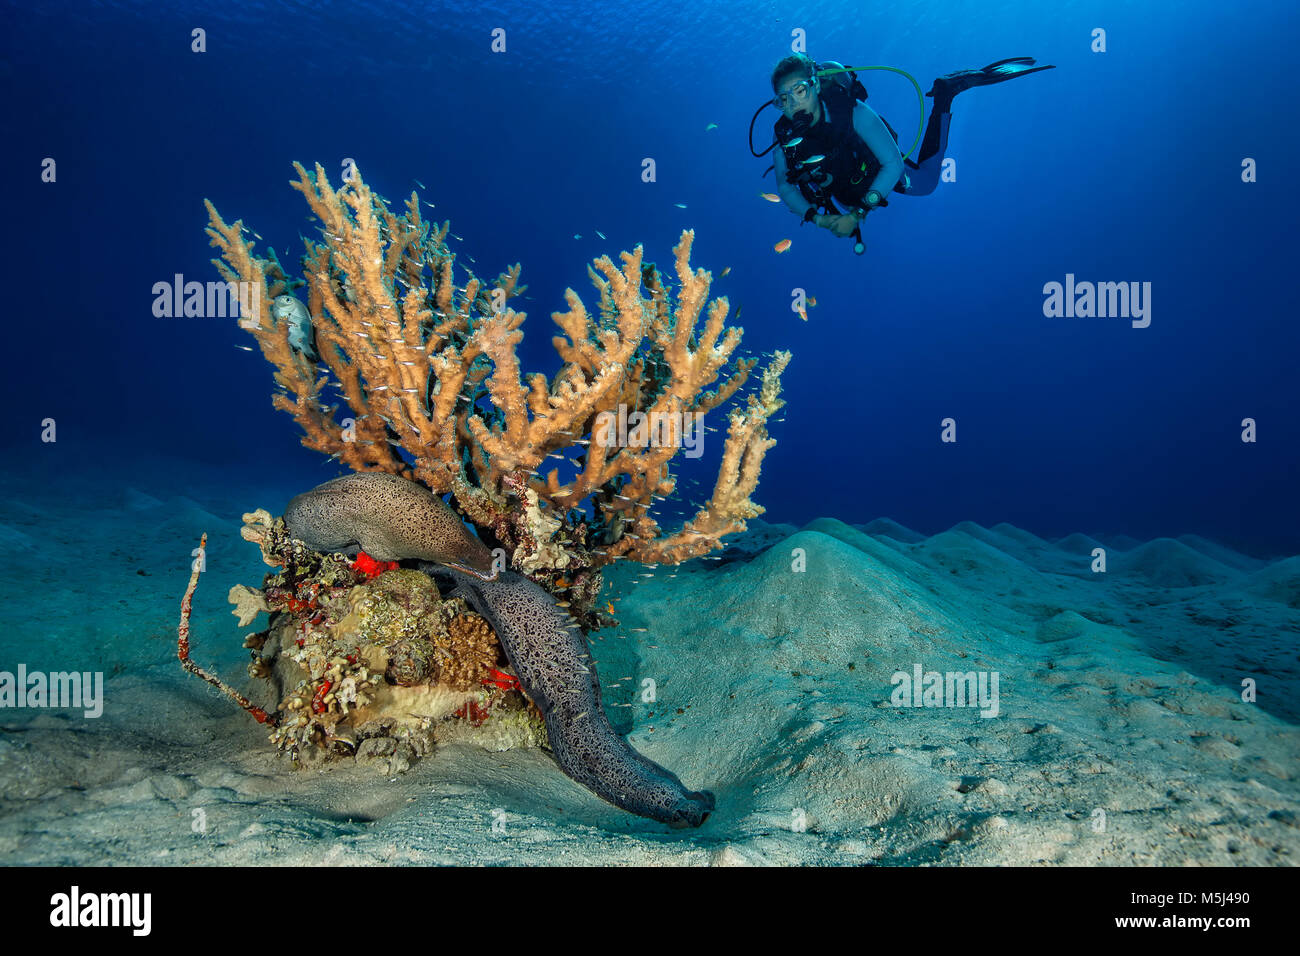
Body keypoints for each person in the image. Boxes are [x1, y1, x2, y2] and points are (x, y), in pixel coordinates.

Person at [765, 54, 1055, 251]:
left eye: (800, 90)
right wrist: (818, 218)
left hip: (876, 168)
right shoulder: (785, 138)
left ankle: (946, 94)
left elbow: (891, 163)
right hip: (844, 187)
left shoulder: (852, 112)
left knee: (927, 184)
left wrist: (858, 214)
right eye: (783, 99)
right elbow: (785, 186)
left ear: (815, 85)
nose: (792, 104)